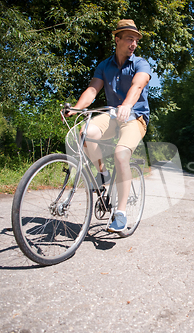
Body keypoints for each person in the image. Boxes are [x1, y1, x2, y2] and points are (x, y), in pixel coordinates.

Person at [65, 19, 151, 232]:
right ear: (117, 39)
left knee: (122, 154)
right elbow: (93, 90)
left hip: (135, 117)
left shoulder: (141, 63)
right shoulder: (104, 65)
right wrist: (76, 108)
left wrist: (127, 105)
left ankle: (120, 213)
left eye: (136, 39)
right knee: (86, 131)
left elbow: (137, 85)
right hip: (113, 116)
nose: (134, 43)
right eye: (129, 38)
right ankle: (103, 174)